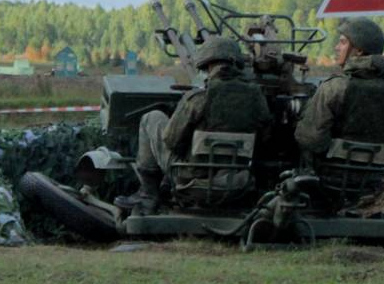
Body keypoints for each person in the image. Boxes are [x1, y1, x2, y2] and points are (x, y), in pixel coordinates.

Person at [117, 37, 273, 215]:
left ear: (207, 66)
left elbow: (171, 140)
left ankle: (148, 196)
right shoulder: (256, 98)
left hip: (191, 176)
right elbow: (265, 137)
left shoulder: (197, 98)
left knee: (151, 118)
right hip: (236, 176)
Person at [294, 17, 384, 185]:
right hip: (375, 182)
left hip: (330, 178)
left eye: (343, 43)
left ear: (358, 50)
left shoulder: (335, 87)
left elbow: (311, 138)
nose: (337, 48)